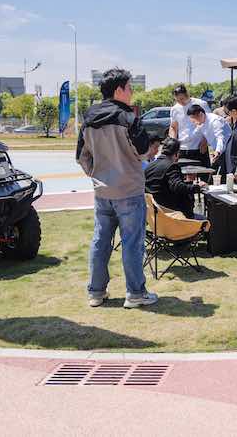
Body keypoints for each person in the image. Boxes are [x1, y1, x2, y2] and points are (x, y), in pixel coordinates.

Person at [77, 67, 157, 309]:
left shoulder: (89, 117)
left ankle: (96, 292)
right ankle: (135, 293)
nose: (132, 92)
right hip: (129, 190)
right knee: (132, 243)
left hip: (102, 191)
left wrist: (96, 175)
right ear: (119, 90)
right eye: (130, 87)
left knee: (100, 241)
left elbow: (82, 156)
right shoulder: (129, 118)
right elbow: (143, 151)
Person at [144, 137, 204, 219]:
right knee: (208, 222)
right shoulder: (171, 166)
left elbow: (163, 184)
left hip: (155, 218)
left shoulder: (150, 167)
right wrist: (197, 187)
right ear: (176, 153)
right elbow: (177, 186)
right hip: (173, 217)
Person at [168, 84, 211, 165]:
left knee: (205, 174)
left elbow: (208, 123)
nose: (180, 102)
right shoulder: (175, 109)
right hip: (183, 147)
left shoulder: (201, 104)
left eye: (182, 99)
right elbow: (173, 127)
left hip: (199, 145)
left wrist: (205, 141)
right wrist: (173, 144)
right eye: (177, 100)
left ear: (187, 94)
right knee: (183, 175)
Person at [187, 104, 231, 177]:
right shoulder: (201, 122)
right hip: (218, 152)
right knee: (215, 174)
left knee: (224, 175)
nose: (193, 121)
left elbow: (220, 138)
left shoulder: (215, 121)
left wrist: (218, 151)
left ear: (200, 114)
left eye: (193, 119)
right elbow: (194, 135)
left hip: (227, 151)